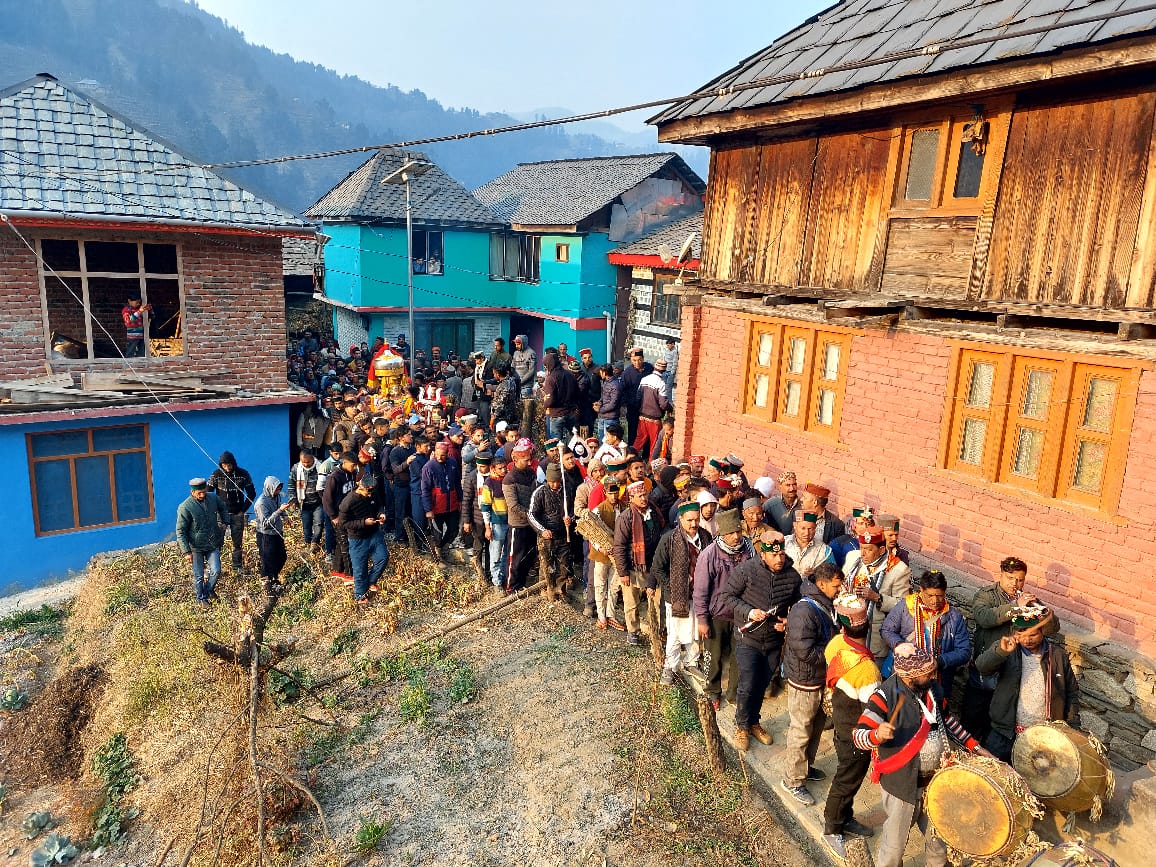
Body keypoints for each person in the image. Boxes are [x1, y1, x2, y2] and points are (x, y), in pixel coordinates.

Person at [853, 644, 992, 867]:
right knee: (894, 844)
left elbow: (948, 721)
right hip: (901, 785)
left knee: (938, 838)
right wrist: (875, 735)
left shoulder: (933, 690)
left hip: (935, 781)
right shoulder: (884, 696)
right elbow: (858, 736)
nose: (934, 675)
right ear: (910, 675)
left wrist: (975, 747)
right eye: (928, 672)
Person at [963, 555, 1061, 742]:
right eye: (1011, 578)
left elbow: (1053, 628)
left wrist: (1041, 611)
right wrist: (1016, 607)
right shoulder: (986, 594)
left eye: (1020, 579)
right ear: (1001, 575)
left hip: (1011, 669)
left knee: (1001, 715)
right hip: (987, 666)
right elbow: (984, 617)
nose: (1016, 583)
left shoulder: (1029, 600)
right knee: (975, 714)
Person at [722, 528, 803, 751]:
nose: (779, 559)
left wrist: (787, 621)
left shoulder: (793, 577)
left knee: (762, 684)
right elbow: (727, 596)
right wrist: (749, 611)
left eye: (782, 555)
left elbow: (798, 606)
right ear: (763, 554)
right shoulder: (746, 570)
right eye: (774, 555)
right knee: (747, 685)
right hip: (748, 638)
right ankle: (741, 726)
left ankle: (754, 722)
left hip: (774, 641)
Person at [975, 604, 1079, 762]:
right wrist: (1001, 652)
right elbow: (982, 667)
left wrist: (1073, 727)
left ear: (1042, 632)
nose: (1027, 640)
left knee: (1035, 781)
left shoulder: (1057, 656)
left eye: (1033, 634)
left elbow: (1071, 693)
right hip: (1004, 732)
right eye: (1021, 634)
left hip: (1044, 736)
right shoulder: (1006, 650)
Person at [821, 594, 880, 860]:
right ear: (867, 627)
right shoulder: (868, 670)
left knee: (848, 779)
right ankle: (832, 828)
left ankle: (845, 818)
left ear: (843, 626)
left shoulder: (835, 645)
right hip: (856, 734)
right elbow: (875, 709)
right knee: (846, 781)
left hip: (841, 725)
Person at [781, 562, 843, 806]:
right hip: (804, 681)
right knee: (801, 730)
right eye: (836, 587)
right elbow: (804, 650)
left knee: (815, 727)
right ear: (821, 584)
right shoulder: (804, 611)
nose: (839, 590)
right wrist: (834, 653)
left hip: (817, 679)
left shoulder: (824, 604)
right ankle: (792, 780)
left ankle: (805, 767)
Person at [649, 501, 712, 685]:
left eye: (696, 520)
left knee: (695, 631)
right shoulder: (669, 539)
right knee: (675, 634)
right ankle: (670, 666)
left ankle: (691, 661)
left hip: (700, 595)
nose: (694, 524)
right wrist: (672, 589)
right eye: (689, 520)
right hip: (676, 597)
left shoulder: (706, 537)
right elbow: (657, 568)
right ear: (680, 519)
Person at [693, 508, 750, 710]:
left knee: (739, 657)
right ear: (720, 534)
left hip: (742, 615)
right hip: (717, 615)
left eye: (738, 531)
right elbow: (700, 590)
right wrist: (702, 619)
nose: (736, 537)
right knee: (713, 657)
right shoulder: (709, 555)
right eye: (730, 533)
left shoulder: (749, 550)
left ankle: (734, 694)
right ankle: (712, 691)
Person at [881, 570, 971, 699]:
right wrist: (900, 645)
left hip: (936, 680)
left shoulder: (954, 617)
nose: (935, 601)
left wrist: (938, 661)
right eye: (930, 595)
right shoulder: (905, 606)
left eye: (939, 595)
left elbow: (964, 651)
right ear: (921, 590)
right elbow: (887, 630)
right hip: (905, 677)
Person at [844, 527, 911, 660]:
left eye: (869, 550)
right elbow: (844, 580)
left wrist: (877, 597)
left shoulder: (898, 569)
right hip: (849, 629)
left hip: (873, 636)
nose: (863, 553)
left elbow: (904, 605)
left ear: (881, 550)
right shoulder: (853, 558)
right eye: (862, 547)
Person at [612, 479, 665, 647]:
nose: (643, 498)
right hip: (634, 567)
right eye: (639, 496)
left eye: (645, 494)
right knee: (632, 602)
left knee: (658, 601)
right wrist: (623, 572)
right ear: (631, 498)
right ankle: (633, 631)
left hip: (653, 565)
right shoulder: (626, 518)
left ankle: (658, 630)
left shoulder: (654, 512)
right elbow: (619, 546)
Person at [176, 477, 230, 606]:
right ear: (192, 492)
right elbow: (180, 531)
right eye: (199, 493)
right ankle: (201, 599)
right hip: (196, 547)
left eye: (203, 492)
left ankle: (208, 591)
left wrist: (225, 521)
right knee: (199, 576)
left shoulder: (213, 498)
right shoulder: (185, 507)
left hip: (212, 542)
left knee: (216, 570)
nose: (202, 495)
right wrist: (186, 552)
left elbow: (223, 508)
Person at [339, 474, 390, 605]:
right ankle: (360, 595)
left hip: (374, 533)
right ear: (360, 487)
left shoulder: (373, 494)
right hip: (358, 539)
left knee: (383, 557)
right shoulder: (348, 501)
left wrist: (381, 514)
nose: (370, 495)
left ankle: (371, 581)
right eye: (368, 491)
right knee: (360, 569)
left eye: (372, 491)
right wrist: (363, 523)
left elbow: (379, 505)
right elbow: (343, 524)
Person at [529, 463, 573, 602]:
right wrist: (542, 531)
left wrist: (570, 519)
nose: (555, 484)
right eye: (552, 481)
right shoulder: (540, 492)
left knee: (563, 565)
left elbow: (572, 510)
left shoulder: (566, 491)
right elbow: (531, 514)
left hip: (562, 534)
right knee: (546, 565)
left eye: (557, 481)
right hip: (546, 536)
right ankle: (546, 588)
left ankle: (560, 589)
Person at [208, 451, 256, 572]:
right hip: (221, 514)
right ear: (221, 465)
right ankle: (215, 568)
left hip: (237, 513)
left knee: (237, 543)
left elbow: (251, 493)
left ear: (233, 463)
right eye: (224, 465)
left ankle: (237, 567)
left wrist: (243, 510)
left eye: (229, 465)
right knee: (217, 543)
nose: (227, 468)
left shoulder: (243, 474)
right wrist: (214, 509)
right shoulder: (216, 474)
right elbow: (208, 493)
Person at [503, 439, 539, 592]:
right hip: (517, 524)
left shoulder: (531, 473)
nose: (530, 463)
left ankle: (522, 584)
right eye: (526, 460)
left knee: (528, 557)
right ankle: (511, 587)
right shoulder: (509, 479)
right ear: (516, 459)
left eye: (530, 459)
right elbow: (513, 506)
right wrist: (531, 515)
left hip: (530, 523)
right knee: (515, 559)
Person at [322, 451, 360, 584]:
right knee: (346, 543)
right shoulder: (334, 476)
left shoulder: (352, 473)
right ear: (345, 462)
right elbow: (326, 499)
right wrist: (333, 516)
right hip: (338, 516)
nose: (354, 467)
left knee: (341, 542)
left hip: (349, 513)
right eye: (353, 465)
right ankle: (349, 574)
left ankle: (337, 569)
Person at [253, 475, 291, 594]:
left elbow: (279, 509)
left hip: (277, 532)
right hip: (266, 535)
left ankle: (274, 578)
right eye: (276, 489)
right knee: (267, 560)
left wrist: (285, 516)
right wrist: (279, 511)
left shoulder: (276, 497)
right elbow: (265, 524)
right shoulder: (261, 503)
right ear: (270, 488)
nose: (278, 491)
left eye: (279, 489)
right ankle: (267, 585)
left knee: (281, 557)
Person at [421, 440, 462, 549]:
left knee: (454, 529)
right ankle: (437, 555)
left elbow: (457, 482)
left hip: (452, 503)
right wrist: (428, 509)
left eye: (443, 455)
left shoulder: (452, 462)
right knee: (437, 533)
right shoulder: (428, 467)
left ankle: (444, 548)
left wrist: (460, 500)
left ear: (447, 454)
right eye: (437, 455)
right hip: (437, 506)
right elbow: (425, 489)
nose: (439, 458)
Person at [460, 449, 491, 584]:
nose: (480, 469)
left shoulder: (494, 476)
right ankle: (478, 570)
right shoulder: (472, 476)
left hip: (492, 518)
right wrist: (466, 521)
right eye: (478, 466)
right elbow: (466, 500)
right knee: (478, 545)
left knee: (491, 548)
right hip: (477, 518)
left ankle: (490, 573)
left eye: (483, 466)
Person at [479, 456, 510, 592]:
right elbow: (485, 507)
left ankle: (503, 578)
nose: (503, 470)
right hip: (497, 523)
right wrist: (487, 527)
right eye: (500, 468)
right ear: (493, 469)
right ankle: (497, 582)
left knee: (506, 553)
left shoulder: (508, 480)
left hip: (510, 522)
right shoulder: (489, 484)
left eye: (505, 467)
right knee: (496, 553)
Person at [633, 358, 672, 460]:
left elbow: (637, 397)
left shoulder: (644, 379)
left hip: (642, 416)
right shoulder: (661, 384)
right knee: (654, 445)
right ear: (663, 371)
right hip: (654, 419)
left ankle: (629, 459)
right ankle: (651, 467)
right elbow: (663, 404)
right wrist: (670, 408)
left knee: (638, 441)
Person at [288, 449, 324, 555]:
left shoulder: (320, 467)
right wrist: (293, 500)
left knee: (319, 523)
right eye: (303, 462)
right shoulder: (296, 468)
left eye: (307, 462)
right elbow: (291, 485)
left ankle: (315, 542)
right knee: (306, 525)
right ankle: (308, 543)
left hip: (318, 502)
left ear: (312, 458)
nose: (305, 464)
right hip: (303, 503)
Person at [541, 352, 580, 443]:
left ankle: (560, 457)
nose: (545, 367)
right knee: (574, 442)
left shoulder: (551, 378)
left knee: (557, 445)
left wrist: (544, 405)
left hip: (556, 414)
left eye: (545, 365)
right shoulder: (570, 375)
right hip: (571, 413)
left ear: (548, 365)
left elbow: (550, 400)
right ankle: (573, 456)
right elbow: (577, 393)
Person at [785, 511, 835, 578]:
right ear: (795, 526)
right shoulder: (784, 543)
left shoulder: (824, 550)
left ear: (815, 528)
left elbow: (833, 574)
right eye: (803, 528)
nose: (806, 533)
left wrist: (816, 574)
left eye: (810, 529)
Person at [620, 347, 653, 444]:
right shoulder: (627, 373)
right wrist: (626, 403)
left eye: (639, 360)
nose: (637, 363)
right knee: (633, 430)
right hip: (633, 407)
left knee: (646, 430)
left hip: (647, 406)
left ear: (643, 358)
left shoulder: (649, 369)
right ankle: (631, 450)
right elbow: (623, 390)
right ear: (631, 360)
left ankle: (646, 455)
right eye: (634, 360)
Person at [595, 363, 623, 441]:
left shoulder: (615, 385)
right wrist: (599, 402)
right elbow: (604, 396)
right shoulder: (606, 382)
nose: (600, 374)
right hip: (602, 417)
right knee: (601, 441)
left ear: (604, 372)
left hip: (610, 418)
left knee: (610, 442)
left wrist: (600, 409)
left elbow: (613, 403)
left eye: (601, 372)